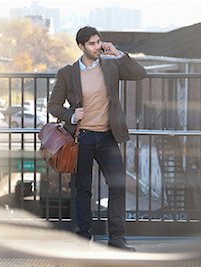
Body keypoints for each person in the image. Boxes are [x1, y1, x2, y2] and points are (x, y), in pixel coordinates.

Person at [48, 26, 146, 251]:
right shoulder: (67, 73)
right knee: (82, 189)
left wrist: (117, 53)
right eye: (91, 43)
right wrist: (71, 114)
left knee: (118, 185)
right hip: (81, 138)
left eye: (98, 42)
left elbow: (140, 73)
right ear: (81, 47)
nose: (97, 47)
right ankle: (83, 238)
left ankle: (117, 239)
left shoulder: (111, 66)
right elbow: (53, 106)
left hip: (107, 137)